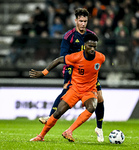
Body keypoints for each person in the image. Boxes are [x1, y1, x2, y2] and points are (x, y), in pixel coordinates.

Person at [39, 8, 105, 142]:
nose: (83, 24)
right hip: (72, 69)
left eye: (85, 21)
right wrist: (68, 74)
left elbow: (95, 56)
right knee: (65, 90)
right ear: (76, 21)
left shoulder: (90, 35)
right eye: (80, 21)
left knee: (100, 99)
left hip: (89, 72)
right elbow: (63, 57)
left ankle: (99, 128)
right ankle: (50, 116)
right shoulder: (69, 36)